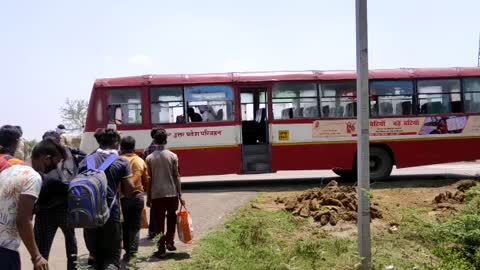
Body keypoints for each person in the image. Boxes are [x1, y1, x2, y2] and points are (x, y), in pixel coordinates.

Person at [0, 125, 67, 270]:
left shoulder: (9, 170)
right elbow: (23, 220)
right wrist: (36, 256)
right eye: (55, 163)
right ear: (46, 158)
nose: (55, 168)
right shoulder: (33, 177)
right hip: (5, 251)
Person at [81, 128, 134, 270]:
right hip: (111, 215)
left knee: (97, 258)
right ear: (116, 143)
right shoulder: (121, 162)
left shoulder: (87, 160)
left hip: (88, 215)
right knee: (111, 259)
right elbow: (129, 191)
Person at [33, 131, 79, 270]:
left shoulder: (45, 163)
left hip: (47, 211)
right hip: (64, 208)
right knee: (71, 245)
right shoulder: (68, 154)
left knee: (42, 250)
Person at [146, 128, 185, 258]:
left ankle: (161, 249)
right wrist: (180, 195)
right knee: (172, 218)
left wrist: (148, 196)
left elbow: (149, 179)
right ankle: (170, 242)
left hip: (157, 194)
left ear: (154, 141)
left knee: (159, 222)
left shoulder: (149, 158)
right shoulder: (173, 156)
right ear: (166, 140)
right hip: (172, 192)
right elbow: (177, 176)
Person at [119, 136, 149, 263]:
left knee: (124, 226)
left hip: (122, 198)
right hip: (137, 197)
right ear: (134, 146)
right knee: (135, 227)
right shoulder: (140, 161)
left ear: (121, 147)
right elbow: (146, 180)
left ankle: (127, 252)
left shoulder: (118, 160)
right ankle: (133, 253)